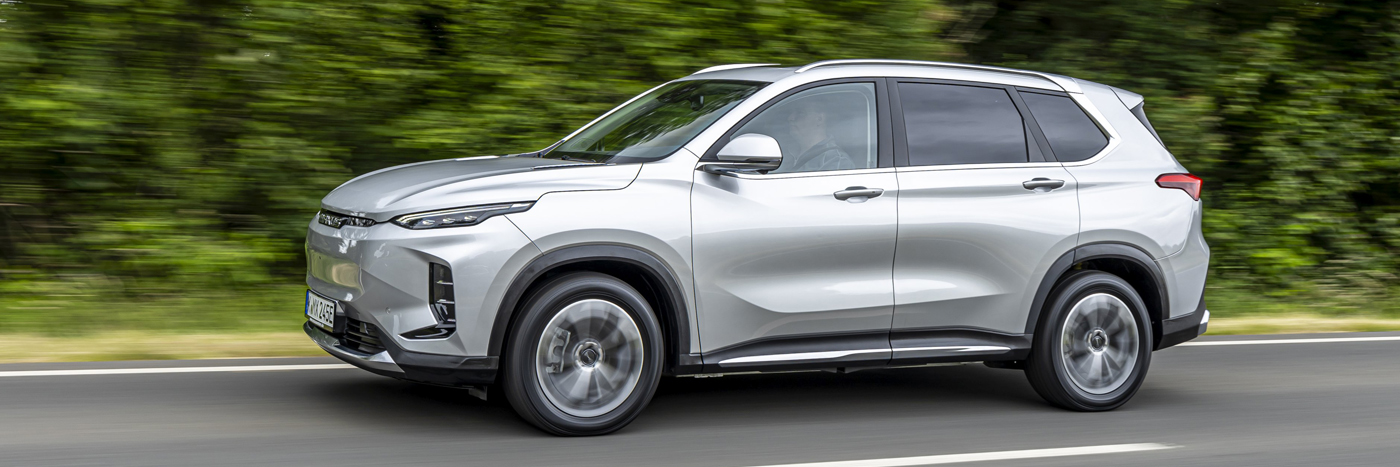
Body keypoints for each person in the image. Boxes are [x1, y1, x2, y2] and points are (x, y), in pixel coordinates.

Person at [785, 98, 855, 173]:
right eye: (790, 113)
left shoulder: (837, 161)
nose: (790, 118)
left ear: (819, 119)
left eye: (800, 113)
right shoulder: (783, 153)